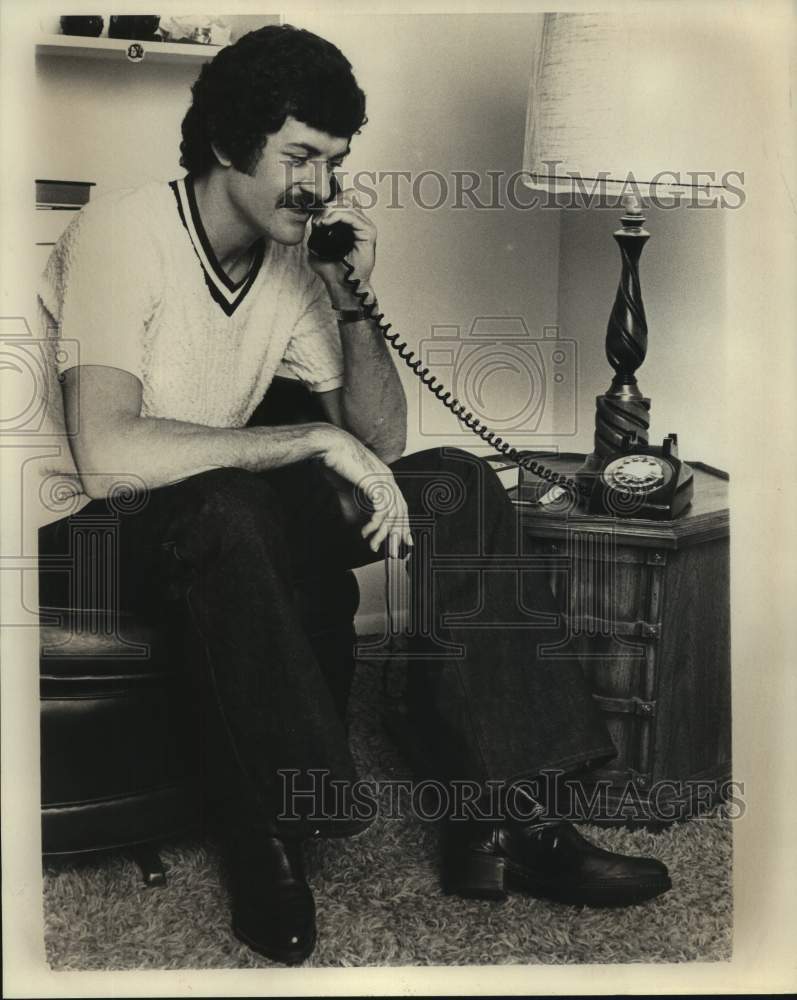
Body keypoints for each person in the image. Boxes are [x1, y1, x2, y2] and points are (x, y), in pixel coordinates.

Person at [37, 25, 670, 966]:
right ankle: (274, 838)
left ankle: (510, 823)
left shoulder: (292, 264)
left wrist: (347, 298)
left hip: (221, 515)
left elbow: (380, 448)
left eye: (333, 163)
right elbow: (109, 453)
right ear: (225, 146)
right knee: (227, 507)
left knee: (451, 480)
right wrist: (310, 434)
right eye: (298, 157)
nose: (320, 187)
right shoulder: (125, 230)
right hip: (85, 534)